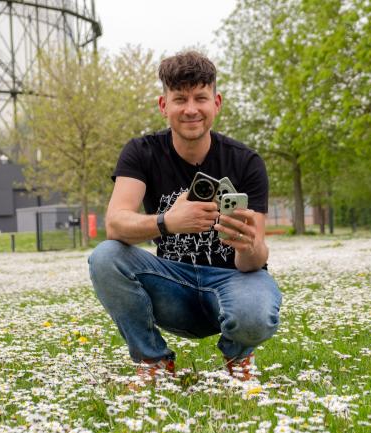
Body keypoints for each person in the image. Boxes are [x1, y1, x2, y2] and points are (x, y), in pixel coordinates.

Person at [87, 51, 281, 382]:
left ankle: (238, 357)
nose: (190, 109)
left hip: (233, 280)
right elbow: (115, 223)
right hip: (173, 285)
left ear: (216, 102)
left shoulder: (246, 161)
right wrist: (167, 222)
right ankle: (154, 362)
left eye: (200, 98)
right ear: (164, 106)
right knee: (105, 257)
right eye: (180, 99)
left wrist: (247, 245)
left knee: (255, 311)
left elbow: (254, 261)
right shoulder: (141, 152)